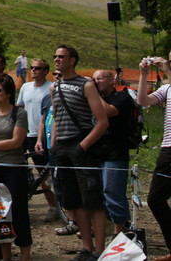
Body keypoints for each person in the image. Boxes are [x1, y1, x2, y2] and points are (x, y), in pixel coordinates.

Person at [49, 44, 109, 261]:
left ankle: (100, 248)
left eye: (61, 56)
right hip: (62, 147)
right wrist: (54, 144)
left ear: (72, 60)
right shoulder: (54, 86)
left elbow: (102, 121)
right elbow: (56, 117)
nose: (57, 59)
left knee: (93, 199)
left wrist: (83, 145)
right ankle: (86, 247)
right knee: (74, 200)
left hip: (81, 144)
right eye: (55, 56)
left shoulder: (86, 84)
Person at [0, 75, 32, 261]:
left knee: (18, 211)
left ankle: (25, 254)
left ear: (8, 93)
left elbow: (16, 142)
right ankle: (6, 256)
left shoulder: (19, 114)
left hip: (14, 168)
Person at [136, 55, 171, 261]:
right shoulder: (167, 88)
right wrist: (142, 74)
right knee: (156, 200)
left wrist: (166, 70)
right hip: (168, 149)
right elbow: (142, 101)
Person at [16, 58, 59, 221]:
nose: (34, 70)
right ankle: (52, 205)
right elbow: (20, 107)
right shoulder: (25, 87)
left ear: (45, 71)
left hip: (46, 134)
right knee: (40, 173)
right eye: (32, 68)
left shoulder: (50, 88)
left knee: (50, 171)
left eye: (38, 68)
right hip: (28, 134)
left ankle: (59, 205)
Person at [93, 69, 133, 234]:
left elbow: (108, 111)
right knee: (98, 195)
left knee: (112, 193)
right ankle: (104, 229)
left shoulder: (123, 98)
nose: (96, 83)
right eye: (94, 80)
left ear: (112, 80)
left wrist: (93, 94)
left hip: (116, 153)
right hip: (96, 153)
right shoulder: (93, 99)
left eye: (100, 79)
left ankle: (120, 231)